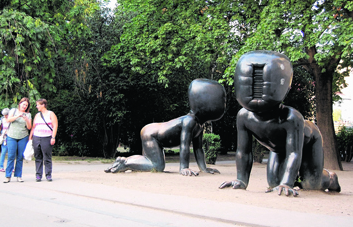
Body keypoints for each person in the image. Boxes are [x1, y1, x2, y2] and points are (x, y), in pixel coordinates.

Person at [219, 50, 340, 196]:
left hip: (308, 143)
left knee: (312, 184)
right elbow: (243, 152)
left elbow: (294, 152)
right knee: (274, 184)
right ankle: (293, 180)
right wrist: (241, 180)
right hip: (278, 149)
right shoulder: (244, 116)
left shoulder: (291, 118)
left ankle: (331, 178)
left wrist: (287, 183)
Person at [105, 79, 225, 176]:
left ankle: (126, 161)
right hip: (152, 134)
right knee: (157, 166)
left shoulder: (198, 125)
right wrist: (184, 168)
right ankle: (125, 163)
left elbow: (198, 149)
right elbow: (185, 146)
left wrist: (204, 169)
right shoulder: (189, 122)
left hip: (153, 132)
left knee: (149, 161)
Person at [4, 97, 32, 183]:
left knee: (20, 157)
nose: (24, 106)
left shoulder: (28, 115)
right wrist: (18, 116)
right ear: (20, 104)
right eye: (23, 104)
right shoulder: (13, 110)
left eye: (26, 105)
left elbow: (29, 127)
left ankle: (18, 175)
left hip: (23, 137)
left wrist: (26, 120)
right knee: (11, 156)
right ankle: (8, 176)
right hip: (11, 136)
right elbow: (9, 120)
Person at [29, 99, 58, 182]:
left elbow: (55, 126)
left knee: (47, 157)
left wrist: (53, 137)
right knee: (38, 157)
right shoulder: (37, 115)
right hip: (36, 137)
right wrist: (30, 137)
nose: (37, 106)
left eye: (38, 105)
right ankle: (38, 175)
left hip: (47, 137)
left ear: (43, 105)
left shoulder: (51, 114)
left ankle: (48, 175)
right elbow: (33, 127)